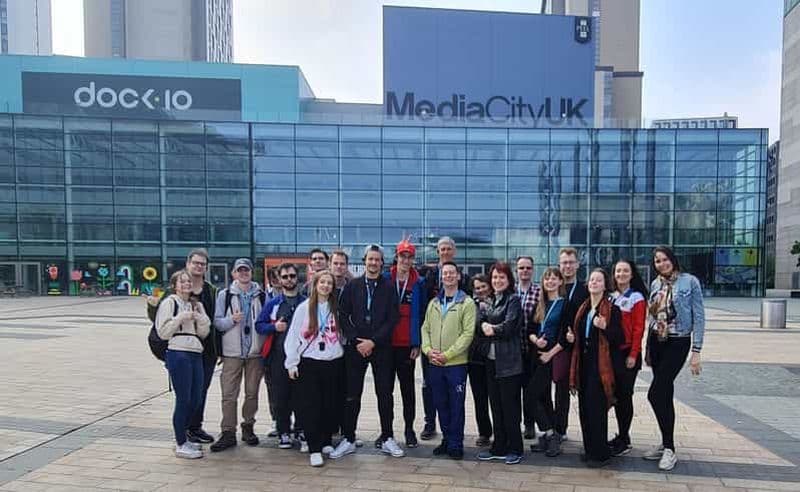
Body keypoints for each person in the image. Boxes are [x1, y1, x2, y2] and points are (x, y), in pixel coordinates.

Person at [332, 244, 400, 460]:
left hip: (381, 348)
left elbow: (393, 319)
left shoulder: (389, 287)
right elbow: (343, 315)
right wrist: (356, 340)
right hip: (356, 347)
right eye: (370, 259)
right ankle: (349, 438)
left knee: (384, 394)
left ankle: (387, 437)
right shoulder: (353, 286)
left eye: (377, 259)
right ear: (364, 261)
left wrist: (373, 341)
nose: (373, 263)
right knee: (352, 394)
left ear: (382, 263)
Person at [147, 248, 218, 445]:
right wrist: (153, 306)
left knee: (199, 393)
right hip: (179, 350)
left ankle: (194, 428)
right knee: (185, 396)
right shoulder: (172, 295)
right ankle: (183, 435)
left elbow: (211, 323)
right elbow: (160, 322)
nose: (199, 266)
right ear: (188, 264)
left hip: (204, 350)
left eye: (202, 264)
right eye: (195, 263)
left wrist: (217, 347)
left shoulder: (211, 291)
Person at [643, 246, 705, 471]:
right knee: (665, 393)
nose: (662, 264)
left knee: (655, 393)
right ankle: (666, 443)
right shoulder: (655, 284)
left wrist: (696, 351)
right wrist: (648, 344)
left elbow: (699, 316)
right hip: (657, 340)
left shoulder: (689, 282)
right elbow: (652, 315)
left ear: (673, 259)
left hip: (678, 341)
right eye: (657, 261)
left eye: (665, 259)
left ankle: (670, 448)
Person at [285, 270, 345, 467]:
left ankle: (326, 441)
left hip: (333, 362)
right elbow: (293, 336)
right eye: (322, 282)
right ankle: (314, 448)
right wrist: (291, 362)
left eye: (329, 283)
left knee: (330, 404)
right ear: (315, 285)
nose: (326, 286)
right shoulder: (304, 308)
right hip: (310, 362)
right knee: (312, 407)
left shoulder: (336, 307)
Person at [210, 259, 267, 452]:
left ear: (251, 272)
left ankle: (248, 425)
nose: (243, 273)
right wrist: (231, 320)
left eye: (246, 270)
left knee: (252, 393)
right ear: (234, 273)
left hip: (254, 354)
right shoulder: (225, 295)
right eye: (239, 270)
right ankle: (228, 431)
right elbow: (217, 322)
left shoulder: (262, 295)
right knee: (229, 394)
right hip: (232, 353)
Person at [421, 261, 476, 459]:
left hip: (455, 365)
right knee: (440, 404)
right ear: (441, 277)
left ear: (458, 276)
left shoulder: (467, 303)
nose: (449, 276)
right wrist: (428, 351)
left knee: (456, 405)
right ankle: (446, 439)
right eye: (445, 273)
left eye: (452, 273)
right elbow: (425, 329)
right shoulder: (434, 303)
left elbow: (467, 334)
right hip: (435, 363)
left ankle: (456, 444)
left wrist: (448, 355)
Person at [569, 268, 623, 468]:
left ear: (605, 285)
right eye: (592, 279)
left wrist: (605, 328)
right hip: (582, 363)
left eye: (598, 280)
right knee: (584, 408)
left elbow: (619, 338)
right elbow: (578, 335)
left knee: (596, 409)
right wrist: (571, 338)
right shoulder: (583, 308)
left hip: (599, 366)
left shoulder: (612, 309)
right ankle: (589, 449)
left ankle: (600, 454)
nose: (594, 283)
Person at [156, 269, 211, 459]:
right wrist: (180, 318)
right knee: (183, 399)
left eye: (188, 281)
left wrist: (200, 318)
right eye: (182, 281)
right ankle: (180, 442)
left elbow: (203, 333)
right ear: (175, 285)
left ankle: (185, 436)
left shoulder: (196, 304)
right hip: (178, 352)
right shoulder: (169, 303)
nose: (187, 284)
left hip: (196, 352)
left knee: (196, 399)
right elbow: (163, 332)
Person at [476, 262, 524, 465]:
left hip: (509, 363)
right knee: (495, 406)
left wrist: (492, 328)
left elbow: (510, 326)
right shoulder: (490, 300)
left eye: (502, 277)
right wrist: (484, 325)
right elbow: (479, 321)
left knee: (510, 408)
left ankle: (515, 448)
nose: (497, 280)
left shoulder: (513, 300)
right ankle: (499, 446)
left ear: (509, 280)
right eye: (495, 277)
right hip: (491, 362)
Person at [539, 247, 589, 441]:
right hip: (549, 346)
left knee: (562, 391)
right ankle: (549, 426)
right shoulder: (551, 288)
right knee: (544, 389)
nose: (567, 266)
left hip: (572, 347)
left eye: (571, 262)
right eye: (564, 263)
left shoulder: (584, 289)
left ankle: (560, 430)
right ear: (559, 265)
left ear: (577, 264)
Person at [256, 263, 307, 451]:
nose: (289, 280)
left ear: (297, 277)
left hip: (302, 357)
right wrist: (274, 327)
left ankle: (301, 429)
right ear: (279, 279)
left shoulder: (306, 302)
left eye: (292, 276)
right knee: (280, 396)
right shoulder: (273, 304)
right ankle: (283, 431)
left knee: (302, 396)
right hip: (278, 357)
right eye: (285, 276)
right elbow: (259, 325)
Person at [381, 238, 426, 449]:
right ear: (396, 257)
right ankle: (386, 432)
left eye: (409, 257)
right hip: (386, 344)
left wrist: (418, 343)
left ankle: (409, 429)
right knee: (385, 390)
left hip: (407, 345)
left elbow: (422, 313)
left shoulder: (419, 282)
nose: (406, 260)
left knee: (408, 390)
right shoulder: (385, 279)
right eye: (402, 256)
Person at [608, 259, 648, 457]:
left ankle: (624, 437)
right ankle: (621, 436)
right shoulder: (611, 296)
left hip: (627, 355)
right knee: (616, 396)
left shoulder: (636, 298)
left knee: (624, 397)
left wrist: (633, 354)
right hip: (612, 354)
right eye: (618, 271)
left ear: (632, 274)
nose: (621, 274)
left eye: (625, 271)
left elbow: (639, 328)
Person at [527, 268, 566, 457]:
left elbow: (566, 336)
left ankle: (551, 434)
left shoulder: (565, 305)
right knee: (543, 398)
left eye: (554, 278)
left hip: (552, 356)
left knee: (530, 396)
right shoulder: (540, 303)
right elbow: (531, 329)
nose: (550, 281)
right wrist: (536, 340)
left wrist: (550, 353)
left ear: (560, 282)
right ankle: (551, 435)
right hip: (537, 354)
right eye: (546, 278)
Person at [515, 256, 541, 440]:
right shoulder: (511, 291)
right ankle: (514, 423)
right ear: (516, 270)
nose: (525, 271)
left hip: (532, 350)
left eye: (528, 268)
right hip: (513, 351)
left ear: (532, 270)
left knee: (529, 390)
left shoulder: (540, 292)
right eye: (521, 268)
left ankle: (529, 424)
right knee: (513, 390)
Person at [468, 274, 493, 447]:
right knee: (480, 398)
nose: (481, 290)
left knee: (496, 398)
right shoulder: (470, 305)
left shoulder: (498, 302)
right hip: (475, 358)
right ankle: (484, 432)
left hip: (493, 357)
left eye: (483, 286)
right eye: (477, 288)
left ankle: (501, 430)